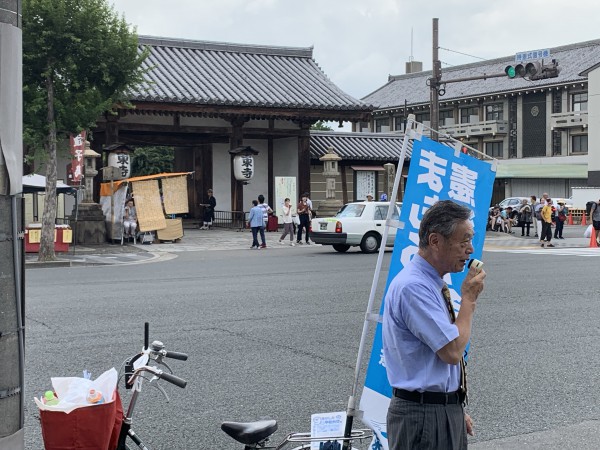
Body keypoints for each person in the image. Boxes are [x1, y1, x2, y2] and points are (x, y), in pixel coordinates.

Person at [383, 200, 485, 450]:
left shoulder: (432, 281)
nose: (470, 249)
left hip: (437, 408)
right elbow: (451, 351)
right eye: (464, 241)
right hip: (423, 414)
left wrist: (451, 407)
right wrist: (469, 298)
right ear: (435, 241)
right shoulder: (414, 287)